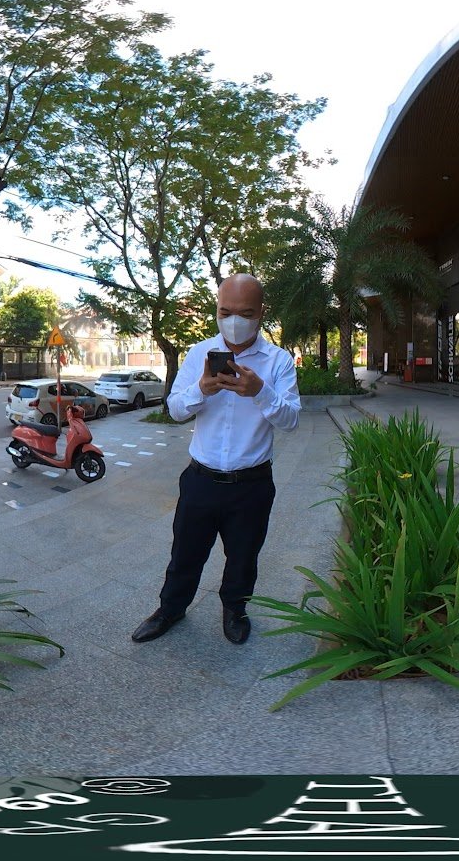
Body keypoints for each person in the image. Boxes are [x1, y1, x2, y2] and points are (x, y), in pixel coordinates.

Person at [132, 274, 301, 646]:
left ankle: (235, 610)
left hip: (252, 484)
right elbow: (175, 410)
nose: (234, 320)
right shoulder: (198, 355)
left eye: (245, 312)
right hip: (200, 480)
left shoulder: (277, 361)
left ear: (261, 313)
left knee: (243, 557)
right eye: (225, 311)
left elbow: (290, 420)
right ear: (217, 309)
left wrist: (261, 391)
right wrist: (201, 389)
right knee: (185, 553)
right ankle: (170, 609)